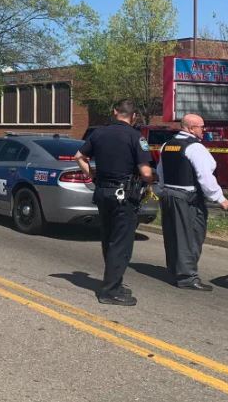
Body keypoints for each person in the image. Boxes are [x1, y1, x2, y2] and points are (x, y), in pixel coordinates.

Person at [74, 99, 154, 306]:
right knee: (121, 243)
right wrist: (153, 180)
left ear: (114, 112)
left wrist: (91, 175)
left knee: (108, 239)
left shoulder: (99, 133)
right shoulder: (136, 137)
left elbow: (79, 156)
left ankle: (113, 283)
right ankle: (110, 291)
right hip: (124, 196)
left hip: (102, 192)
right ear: (134, 116)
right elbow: (145, 172)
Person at [155, 114, 228, 291]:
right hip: (187, 199)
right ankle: (187, 277)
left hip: (169, 195)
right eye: (201, 127)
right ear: (190, 128)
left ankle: (176, 271)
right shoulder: (195, 148)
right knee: (191, 236)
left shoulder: (167, 145)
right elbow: (205, 176)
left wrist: (162, 190)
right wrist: (219, 198)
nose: (203, 130)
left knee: (174, 236)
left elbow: (161, 172)